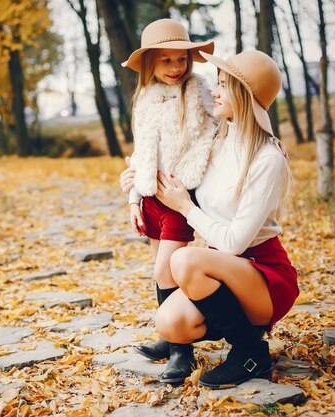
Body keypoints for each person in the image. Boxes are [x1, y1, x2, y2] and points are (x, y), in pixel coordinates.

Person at [120, 50, 299, 389]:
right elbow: (165, 158)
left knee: (184, 260)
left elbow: (233, 243)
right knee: (169, 323)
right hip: (222, 274)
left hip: (263, 275)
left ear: (245, 96)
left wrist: (186, 208)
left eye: (224, 86)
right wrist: (134, 181)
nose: (214, 92)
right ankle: (238, 328)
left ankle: (249, 353)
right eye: (216, 84)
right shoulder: (215, 141)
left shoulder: (266, 159)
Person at [120, 18, 217, 384]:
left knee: (167, 270)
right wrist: (134, 199)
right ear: (150, 64)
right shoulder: (144, 97)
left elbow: (229, 120)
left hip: (180, 195)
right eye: (167, 61)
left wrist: (267, 138)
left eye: (182, 60)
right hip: (151, 197)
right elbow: (142, 153)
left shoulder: (198, 90)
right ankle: (169, 332)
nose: (176, 68)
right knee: (159, 272)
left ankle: (183, 350)